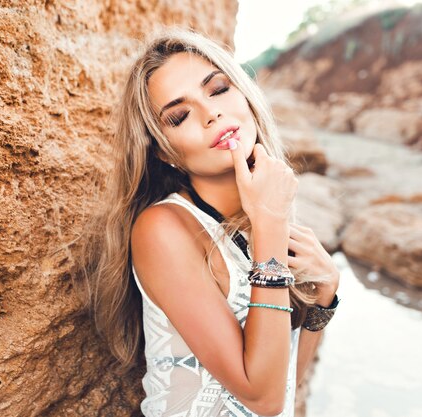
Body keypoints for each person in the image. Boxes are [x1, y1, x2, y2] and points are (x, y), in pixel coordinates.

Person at [88, 27, 340, 416]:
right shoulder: (162, 229)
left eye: (218, 89)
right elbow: (264, 399)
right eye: (180, 115)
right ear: (164, 152)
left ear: (245, 95)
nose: (211, 114)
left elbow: (284, 383)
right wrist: (271, 224)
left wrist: (324, 292)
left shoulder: (259, 216)